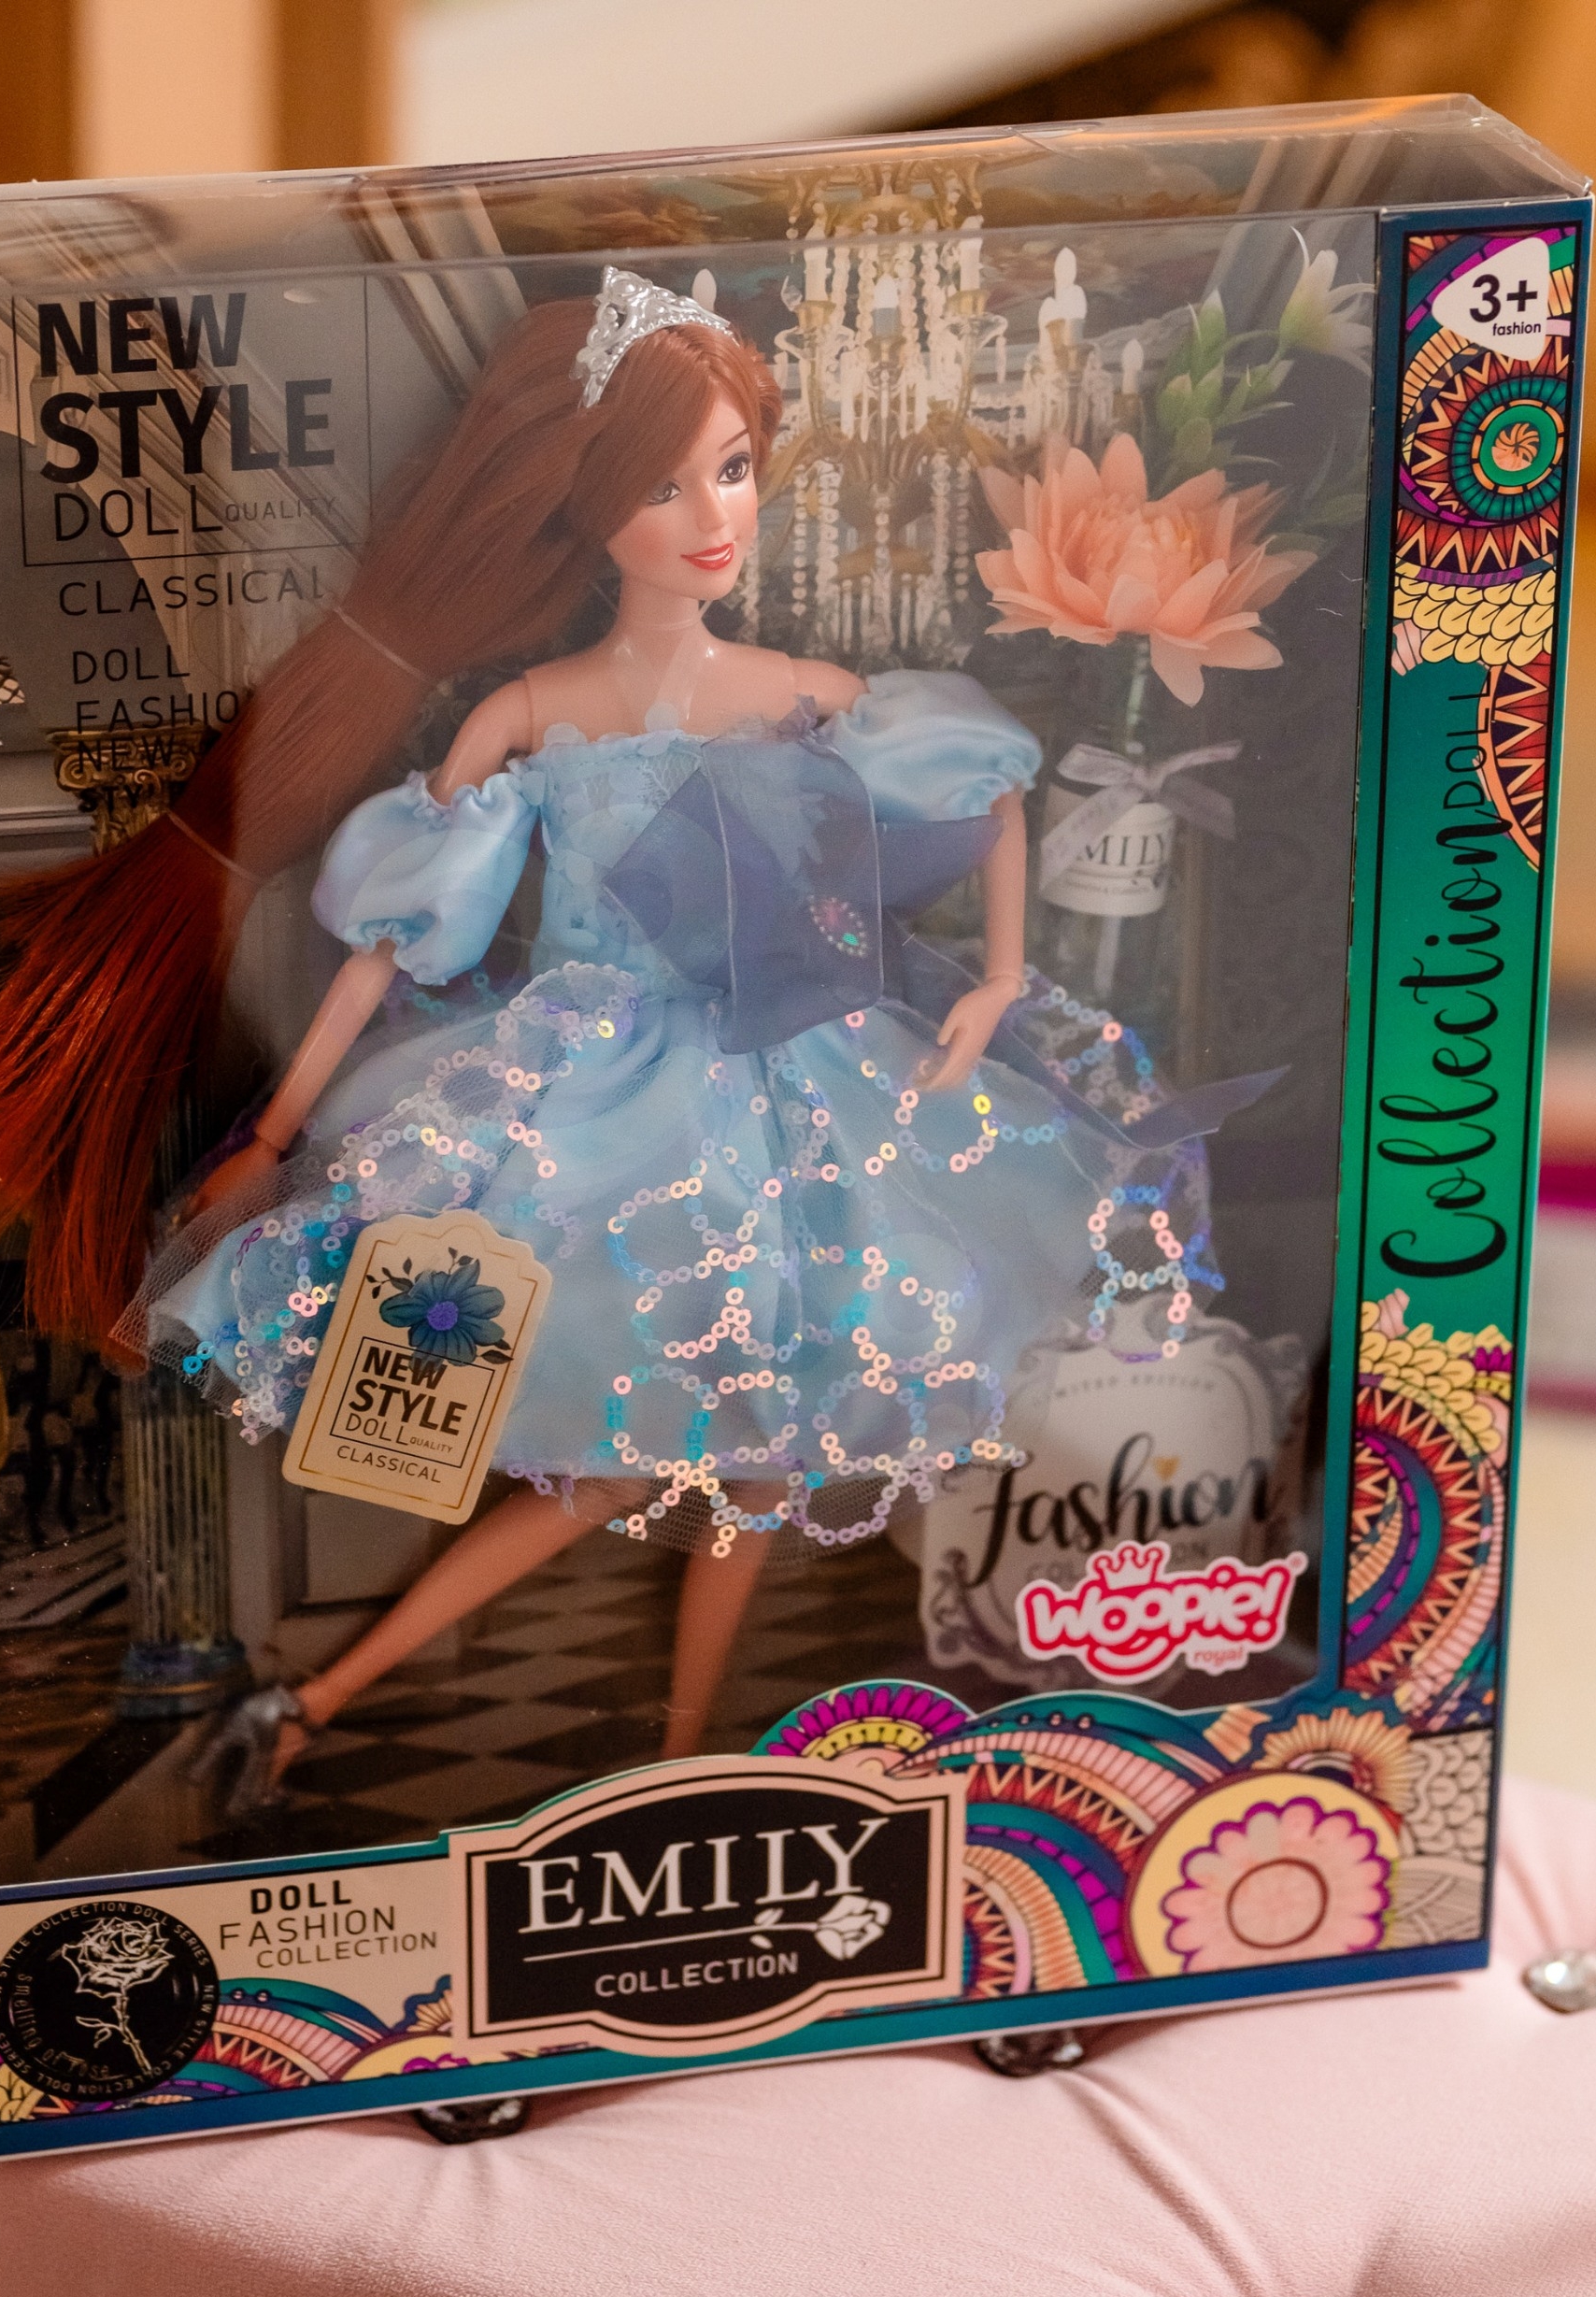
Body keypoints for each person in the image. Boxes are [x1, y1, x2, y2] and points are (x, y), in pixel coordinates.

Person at [143, 270, 1176, 1811]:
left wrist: (998, 980)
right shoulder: (535, 712)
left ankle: (677, 1755)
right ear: (587, 505)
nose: (711, 516)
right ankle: (322, 1701)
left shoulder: (802, 699)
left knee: (769, 1444)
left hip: (798, 1073)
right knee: (612, 1460)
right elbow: (394, 939)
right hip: (601, 1092)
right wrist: (275, 1135)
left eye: (735, 469)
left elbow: (986, 785)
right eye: (661, 483)